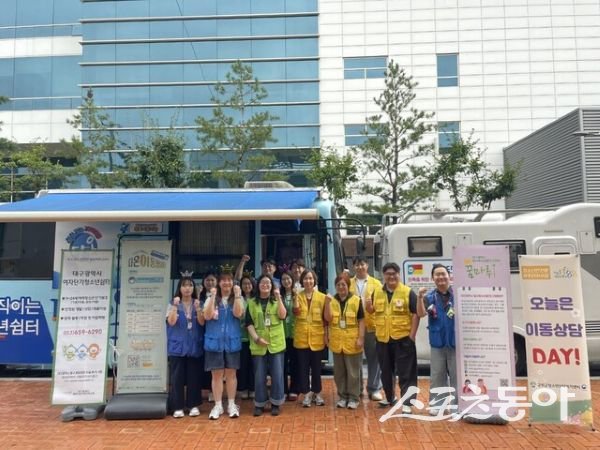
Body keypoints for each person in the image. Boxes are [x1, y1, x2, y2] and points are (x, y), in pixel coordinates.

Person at [366, 262, 425, 413]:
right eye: (388, 274)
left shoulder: (407, 292)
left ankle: (407, 403)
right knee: (385, 371)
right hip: (383, 339)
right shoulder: (377, 292)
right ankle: (389, 397)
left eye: (394, 274)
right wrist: (368, 306)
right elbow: (372, 311)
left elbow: (416, 314)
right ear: (384, 276)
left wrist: (412, 336)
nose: (391, 277)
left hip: (403, 339)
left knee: (407, 373)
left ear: (399, 275)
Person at [203, 269, 245, 419]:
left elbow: (238, 314)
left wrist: (238, 295)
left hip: (232, 341)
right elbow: (207, 315)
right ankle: (218, 405)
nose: (226, 283)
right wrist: (213, 296)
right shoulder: (211, 298)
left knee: (231, 374)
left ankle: (231, 404)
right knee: (216, 375)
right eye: (223, 280)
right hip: (214, 342)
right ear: (219, 283)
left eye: (229, 280)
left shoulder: (237, 298)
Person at [417, 263, 457, 415]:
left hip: (455, 341)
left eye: (443, 274)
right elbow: (420, 314)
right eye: (437, 274)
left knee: (456, 375)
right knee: (437, 374)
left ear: (449, 276)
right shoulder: (429, 297)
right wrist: (419, 297)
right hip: (437, 341)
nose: (441, 277)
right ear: (433, 278)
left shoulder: (458, 294)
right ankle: (438, 405)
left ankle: (457, 405)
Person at [246, 274, 287, 416]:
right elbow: (249, 323)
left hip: (276, 343)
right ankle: (260, 403)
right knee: (259, 375)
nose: (265, 285)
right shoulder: (252, 302)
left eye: (268, 283)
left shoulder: (276, 300)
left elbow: (283, 315)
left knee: (277, 374)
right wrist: (256, 338)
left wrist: (279, 298)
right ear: (258, 285)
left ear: (272, 285)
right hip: (258, 344)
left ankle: (276, 402)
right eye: (262, 282)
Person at [324, 272, 365, 409]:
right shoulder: (331, 300)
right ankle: (342, 397)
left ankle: (354, 398)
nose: (341, 287)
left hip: (352, 341)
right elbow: (328, 319)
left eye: (343, 285)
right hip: (337, 341)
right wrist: (327, 303)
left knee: (353, 372)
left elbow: (361, 321)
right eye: (338, 285)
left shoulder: (356, 300)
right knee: (339, 372)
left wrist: (361, 338)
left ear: (348, 286)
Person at [166, 275, 204, 418]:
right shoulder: (172, 303)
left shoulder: (198, 303)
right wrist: (175, 307)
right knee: (177, 378)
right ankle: (177, 406)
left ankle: (193, 405)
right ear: (179, 288)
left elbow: (202, 322)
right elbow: (171, 322)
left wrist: (198, 308)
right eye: (184, 285)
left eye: (190, 285)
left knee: (194, 376)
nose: (187, 288)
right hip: (177, 346)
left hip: (194, 345)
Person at [349, 256, 384, 401]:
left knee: (374, 358)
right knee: (354, 359)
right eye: (356, 265)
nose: (359, 267)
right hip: (353, 326)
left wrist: (372, 307)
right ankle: (356, 389)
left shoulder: (376, 284)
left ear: (367, 265)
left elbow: (381, 304)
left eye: (362, 264)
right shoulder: (348, 283)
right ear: (353, 267)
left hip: (371, 326)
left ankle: (374, 388)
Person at [293, 269, 327, 407]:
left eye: (311, 278)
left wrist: (326, 336)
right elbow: (296, 312)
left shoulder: (322, 297)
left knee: (317, 369)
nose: (308, 281)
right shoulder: (298, 296)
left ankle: (317, 393)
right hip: (301, 339)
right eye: (306, 278)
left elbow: (325, 320)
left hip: (317, 338)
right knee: (303, 369)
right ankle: (306, 393)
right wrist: (295, 297)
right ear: (302, 281)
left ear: (314, 280)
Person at [280, 271, 299, 400]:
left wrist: (296, 296)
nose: (286, 281)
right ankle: (282, 389)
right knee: (282, 364)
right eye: (283, 279)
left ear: (292, 280)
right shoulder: (278, 295)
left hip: (294, 333)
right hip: (281, 333)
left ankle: (294, 389)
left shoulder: (297, 294)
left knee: (294, 363)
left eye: (288, 279)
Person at [237, 274, 256, 400]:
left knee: (253, 364)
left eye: (249, 283)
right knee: (242, 364)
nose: (247, 286)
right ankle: (243, 388)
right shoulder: (238, 298)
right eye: (244, 283)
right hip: (241, 336)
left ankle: (253, 388)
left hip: (254, 337)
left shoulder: (256, 299)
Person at [200, 271, 218, 401]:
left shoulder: (219, 296)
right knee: (202, 361)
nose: (210, 282)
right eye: (207, 280)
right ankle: (203, 389)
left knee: (213, 363)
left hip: (213, 332)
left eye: (212, 280)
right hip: (200, 330)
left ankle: (213, 390)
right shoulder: (199, 295)